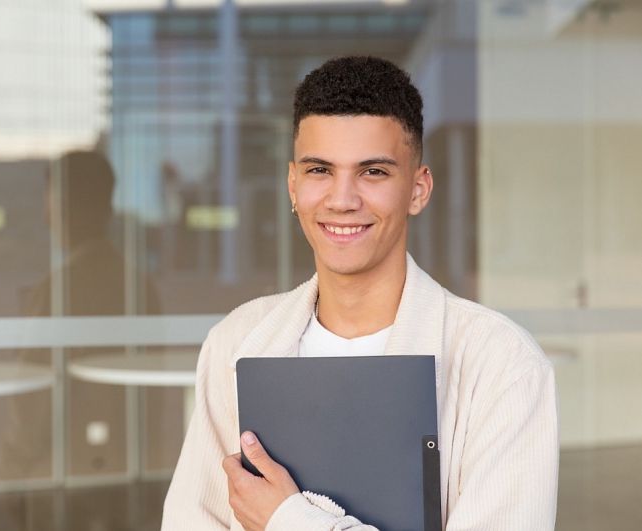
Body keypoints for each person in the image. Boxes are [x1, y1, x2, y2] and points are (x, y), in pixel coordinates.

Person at [161, 56, 558, 531]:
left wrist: (287, 520)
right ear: (293, 186)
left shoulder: (504, 365)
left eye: (373, 172)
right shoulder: (235, 340)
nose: (342, 200)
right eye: (319, 170)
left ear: (418, 189)